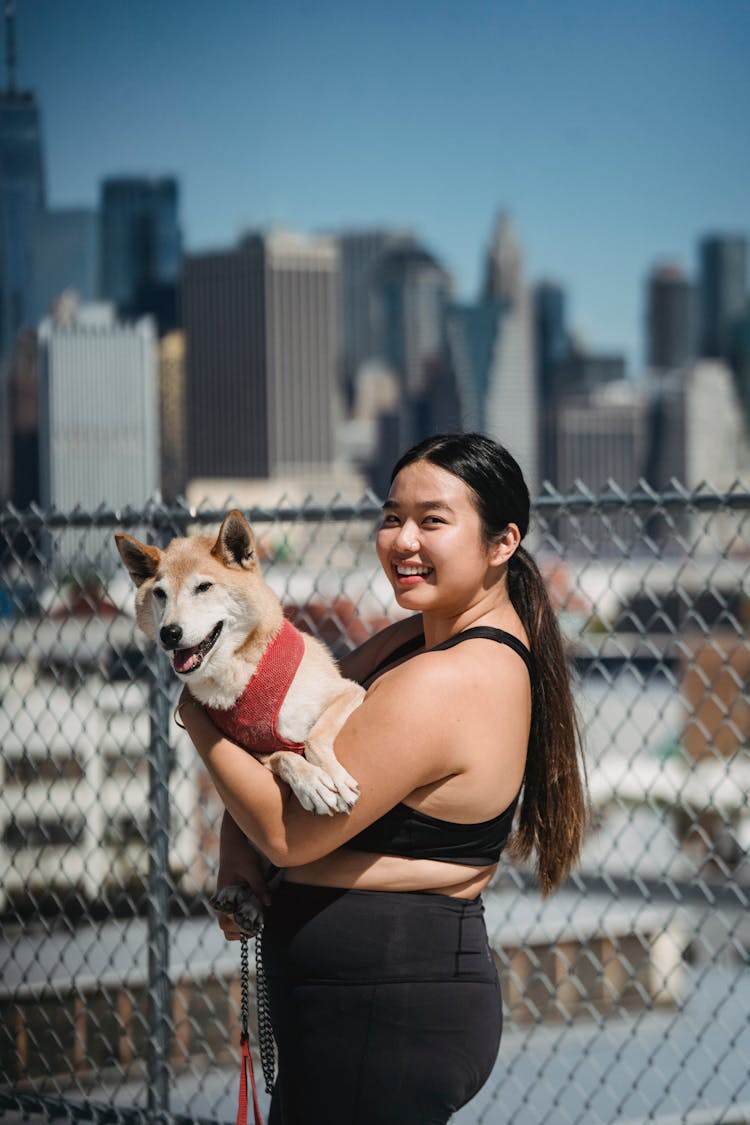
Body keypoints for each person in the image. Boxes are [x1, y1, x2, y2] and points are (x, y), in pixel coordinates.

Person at [178, 432, 587, 1125]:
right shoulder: (414, 639)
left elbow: (287, 829)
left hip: (387, 1015)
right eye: (392, 517)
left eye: (432, 520)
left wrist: (197, 714)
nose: (402, 539)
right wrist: (235, 857)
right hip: (357, 1013)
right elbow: (277, 733)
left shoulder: (447, 677)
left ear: (501, 542)